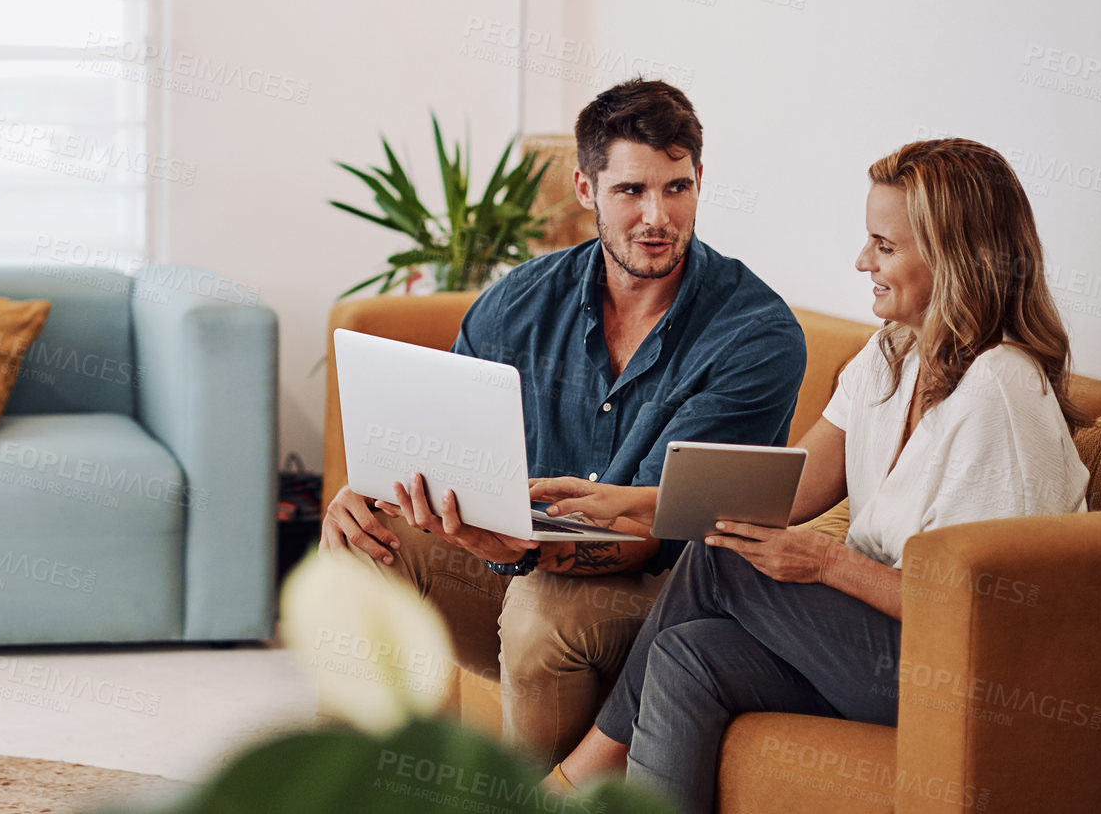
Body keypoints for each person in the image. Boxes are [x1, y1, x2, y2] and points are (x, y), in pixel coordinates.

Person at [535, 138, 1092, 813]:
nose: (863, 261)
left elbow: (988, 609)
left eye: (883, 245)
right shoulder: (892, 354)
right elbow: (788, 489)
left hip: (965, 677)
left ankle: (574, 781)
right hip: (874, 650)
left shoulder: (1002, 391)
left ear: (953, 257)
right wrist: (617, 499)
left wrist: (827, 563)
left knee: (722, 561)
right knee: (689, 655)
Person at [321, 78, 808, 766]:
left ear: (700, 181)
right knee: (364, 545)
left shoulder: (754, 336)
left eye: (676, 187)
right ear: (586, 189)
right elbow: (440, 452)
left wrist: (515, 549)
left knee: (543, 611)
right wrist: (369, 494)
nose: (656, 216)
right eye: (631, 190)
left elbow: (655, 530)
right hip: (513, 554)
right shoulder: (517, 303)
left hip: (668, 593)